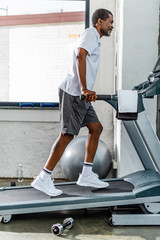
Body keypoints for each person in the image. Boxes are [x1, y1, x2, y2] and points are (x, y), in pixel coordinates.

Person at [31, 8, 114, 196]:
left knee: (96, 128)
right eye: (110, 22)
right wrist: (84, 89)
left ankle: (86, 173)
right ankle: (43, 178)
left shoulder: (94, 38)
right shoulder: (91, 33)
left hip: (81, 95)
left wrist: (84, 91)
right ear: (99, 21)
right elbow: (80, 55)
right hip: (74, 93)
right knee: (67, 135)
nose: (112, 26)